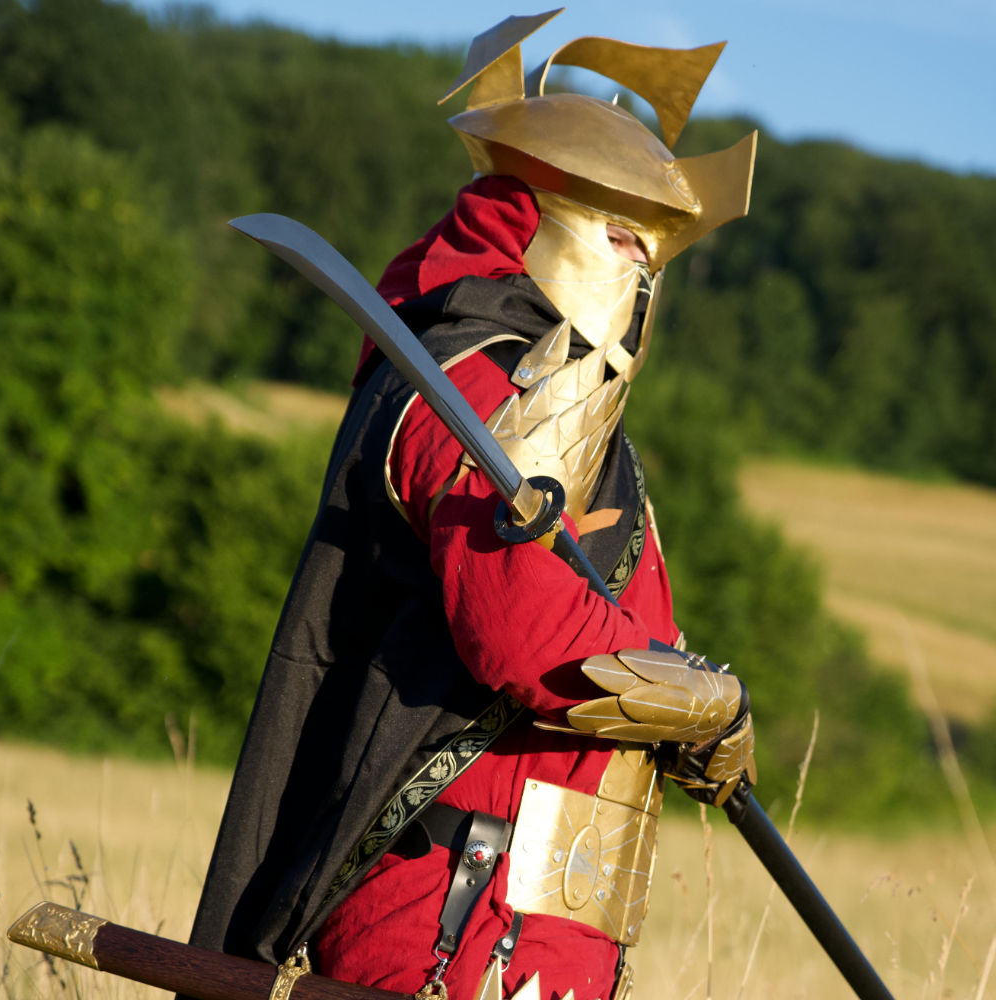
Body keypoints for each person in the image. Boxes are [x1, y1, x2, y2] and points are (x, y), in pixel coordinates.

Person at [185, 12, 759, 1000]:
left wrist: (689, 709)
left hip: (543, 922)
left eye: (653, 258)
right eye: (623, 240)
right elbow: (527, 633)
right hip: (457, 914)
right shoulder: (474, 383)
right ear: (539, 213)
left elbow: (617, 629)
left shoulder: (572, 415)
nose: (638, 278)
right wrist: (701, 699)